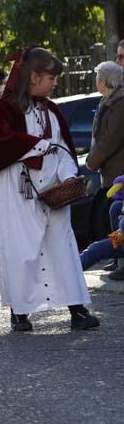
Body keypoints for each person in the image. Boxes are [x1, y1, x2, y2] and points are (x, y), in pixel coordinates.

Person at [0, 47, 100, 332]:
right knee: (22, 250)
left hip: (54, 191)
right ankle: (20, 311)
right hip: (17, 191)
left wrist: (69, 176)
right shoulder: (5, 107)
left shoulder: (51, 109)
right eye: (51, 77)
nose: (55, 83)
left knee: (63, 246)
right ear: (33, 76)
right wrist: (34, 145)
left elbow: (62, 148)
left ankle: (77, 308)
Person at [86, 61, 124, 273]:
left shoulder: (119, 102)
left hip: (119, 170)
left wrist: (92, 161)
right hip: (113, 170)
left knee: (118, 215)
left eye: (98, 77)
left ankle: (119, 257)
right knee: (115, 214)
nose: (96, 81)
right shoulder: (108, 100)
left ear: (105, 80)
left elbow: (110, 139)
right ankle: (118, 257)